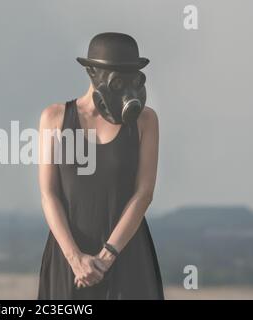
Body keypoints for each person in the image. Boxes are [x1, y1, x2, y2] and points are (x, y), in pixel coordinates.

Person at [37, 32, 164, 299]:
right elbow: (49, 194)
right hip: (68, 260)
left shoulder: (145, 121)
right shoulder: (55, 118)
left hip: (126, 256)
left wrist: (107, 256)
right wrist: (75, 259)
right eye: (116, 75)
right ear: (92, 73)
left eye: (132, 74)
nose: (125, 82)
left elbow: (144, 194)